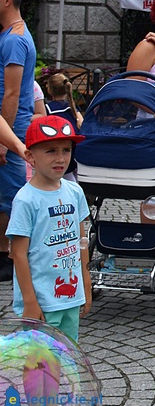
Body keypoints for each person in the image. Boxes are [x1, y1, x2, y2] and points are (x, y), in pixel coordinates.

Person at [9, 116, 86, 341]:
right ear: (30, 156)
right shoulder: (26, 200)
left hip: (71, 296)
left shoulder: (74, 192)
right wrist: (30, 301)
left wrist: (86, 282)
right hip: (42, 300)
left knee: (67, 354)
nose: (60, 158)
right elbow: (18, 254)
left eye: (66, 150)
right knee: (38, 363)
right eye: (50, 151)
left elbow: (81, 240)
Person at [0, 0, 37, 284]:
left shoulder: (14, 39)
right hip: (11, 125)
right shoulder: (11, 34)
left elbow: (12, 93)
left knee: (8, 194)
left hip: (11, 126)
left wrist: (4, 140)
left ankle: (8, 256)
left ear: (6, 0)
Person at [42, 73, 83, 182]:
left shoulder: (48, 109)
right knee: (76, 178)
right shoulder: (72, 107)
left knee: (68, 180)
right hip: (76, 149)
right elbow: (82, 124)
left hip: (60, 150)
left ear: (49, 89)